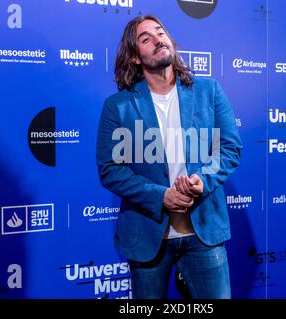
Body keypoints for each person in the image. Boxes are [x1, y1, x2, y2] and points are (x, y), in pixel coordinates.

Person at [96, 15, 242, 299]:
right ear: (135, 57)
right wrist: (161, 196)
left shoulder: (209, 91)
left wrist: (203, 179)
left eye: (160, 33)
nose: (157, 39)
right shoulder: (118, 106)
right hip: (148, 236)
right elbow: (110, 169)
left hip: (204, 233)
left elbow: (230, 148)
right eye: (146, 39)